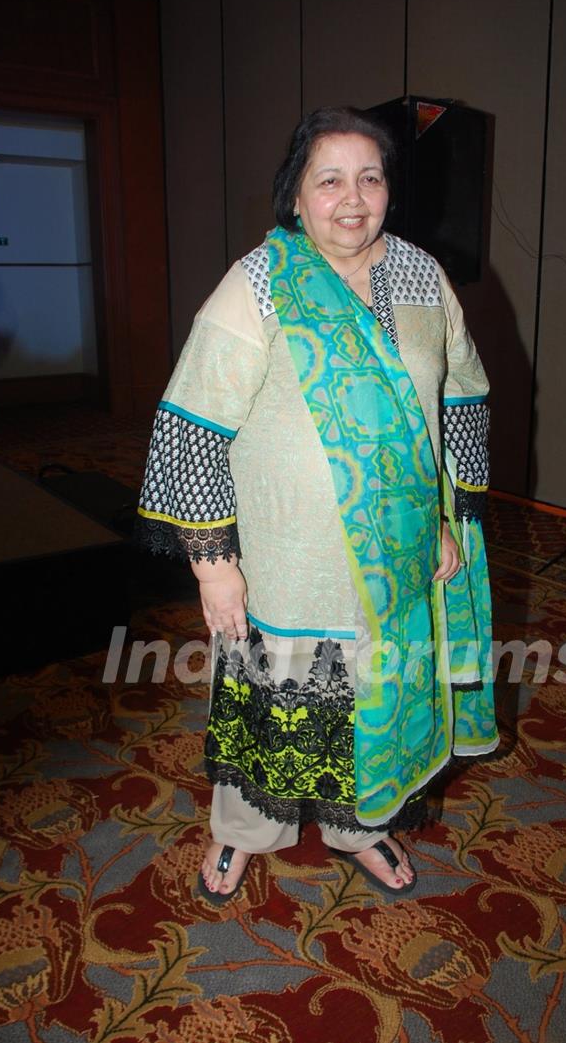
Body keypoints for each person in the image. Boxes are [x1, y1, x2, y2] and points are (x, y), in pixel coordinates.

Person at [136, 106, 498, 903]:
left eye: (369, 176)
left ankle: (359, 827)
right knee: (272, 705)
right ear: (296, 197)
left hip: (398, 560)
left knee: (374, 708)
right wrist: (214, 565)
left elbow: (463, 395)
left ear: (388, 190)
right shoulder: (260, 283)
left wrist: (449, 518)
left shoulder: (422, 278)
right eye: (328, 178)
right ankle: (239, 831)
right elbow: (189, 421)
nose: (352, 197)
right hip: (286, 562)